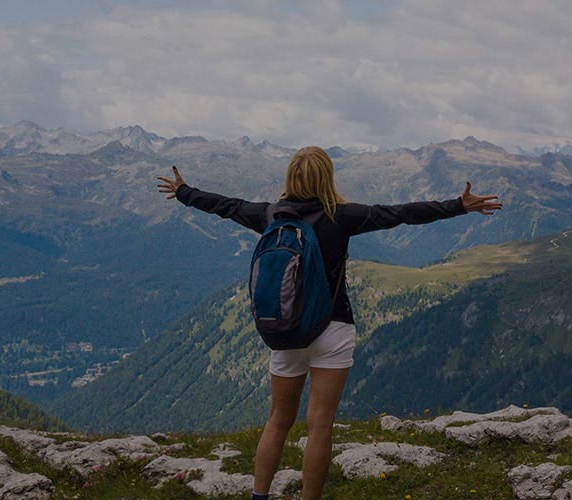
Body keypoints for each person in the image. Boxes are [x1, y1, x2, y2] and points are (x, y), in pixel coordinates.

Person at [156, 146, 501, 500]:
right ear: (327, 177)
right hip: (332, 329)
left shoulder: (269, 215)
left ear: (291, 177)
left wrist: (184, 192)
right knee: (319, 426)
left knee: (278, 420)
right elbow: (401, 214)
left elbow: (225, 206)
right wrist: (458, 206)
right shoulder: (343, 216)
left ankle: (260, 495)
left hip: (286, 330)